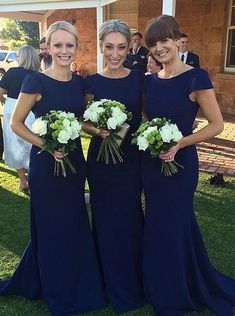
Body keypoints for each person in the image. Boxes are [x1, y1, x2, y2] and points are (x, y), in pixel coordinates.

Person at [0, 21, 106, 315]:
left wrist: (95, 131)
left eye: (69, 45)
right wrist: (45, 144)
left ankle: (77, 280)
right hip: (46, 166)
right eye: (57, 45)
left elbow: (80, 119)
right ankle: (54, 287)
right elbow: (15, 123)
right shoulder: (35, 81)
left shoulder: (79, 83)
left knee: (73, 224)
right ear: (47, 47)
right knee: (51, 227)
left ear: (76, 47)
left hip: (74, 166)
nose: (63, 51)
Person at [142, 15, 235, 316]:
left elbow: (217, 124)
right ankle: (158, 283)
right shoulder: (150, 82)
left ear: (177, 39)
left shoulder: (197, 77)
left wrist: (180, 142)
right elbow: (147, 121)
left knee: (176, 223)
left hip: (181, 165)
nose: (159, 48)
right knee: (156, 224)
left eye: (164, 40)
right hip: (153, 166)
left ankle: (180, 287)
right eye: (153, 44)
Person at [83, 19, 146, 313]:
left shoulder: (139, 79)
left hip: (130, 161)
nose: (116, 53)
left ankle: (132, 279)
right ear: (101, 46)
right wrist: (98, 131)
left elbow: (146, 116)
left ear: (128, 47)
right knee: (105, 219)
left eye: (121, 47)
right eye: (109, 47)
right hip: (101, 163)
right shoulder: (92, 82)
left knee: (130, 217)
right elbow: (83, 121)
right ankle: (103, 279)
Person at [0, 45, 40, 192]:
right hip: (31, 109)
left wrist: (4, 101)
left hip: (12, 109)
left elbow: (0, 91)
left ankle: (23, 181)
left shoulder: (11, 72)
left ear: (21, 57)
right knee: (31, 142)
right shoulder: (38, 74)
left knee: (14, 144)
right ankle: (33, 179)